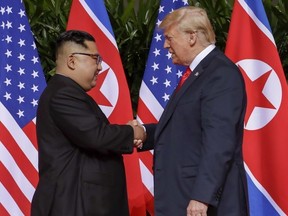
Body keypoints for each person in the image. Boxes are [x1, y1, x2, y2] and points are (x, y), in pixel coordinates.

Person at [136, 6, 249, 216]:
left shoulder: (220, 74)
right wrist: (144, 132)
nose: (165, 44)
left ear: (191, 37)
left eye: (169, 38)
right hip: (183, 196)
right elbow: (185, 128)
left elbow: (219, 141)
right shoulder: (199, 72)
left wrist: (201, 196)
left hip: (202, 203)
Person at [31, 30, 145, 216]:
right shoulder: (63, 94)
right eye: (95, 58)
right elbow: (97, 136)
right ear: (72, 61)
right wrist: (133, 133)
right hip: (73, 206)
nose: (100, 67)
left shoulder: (68, 92)